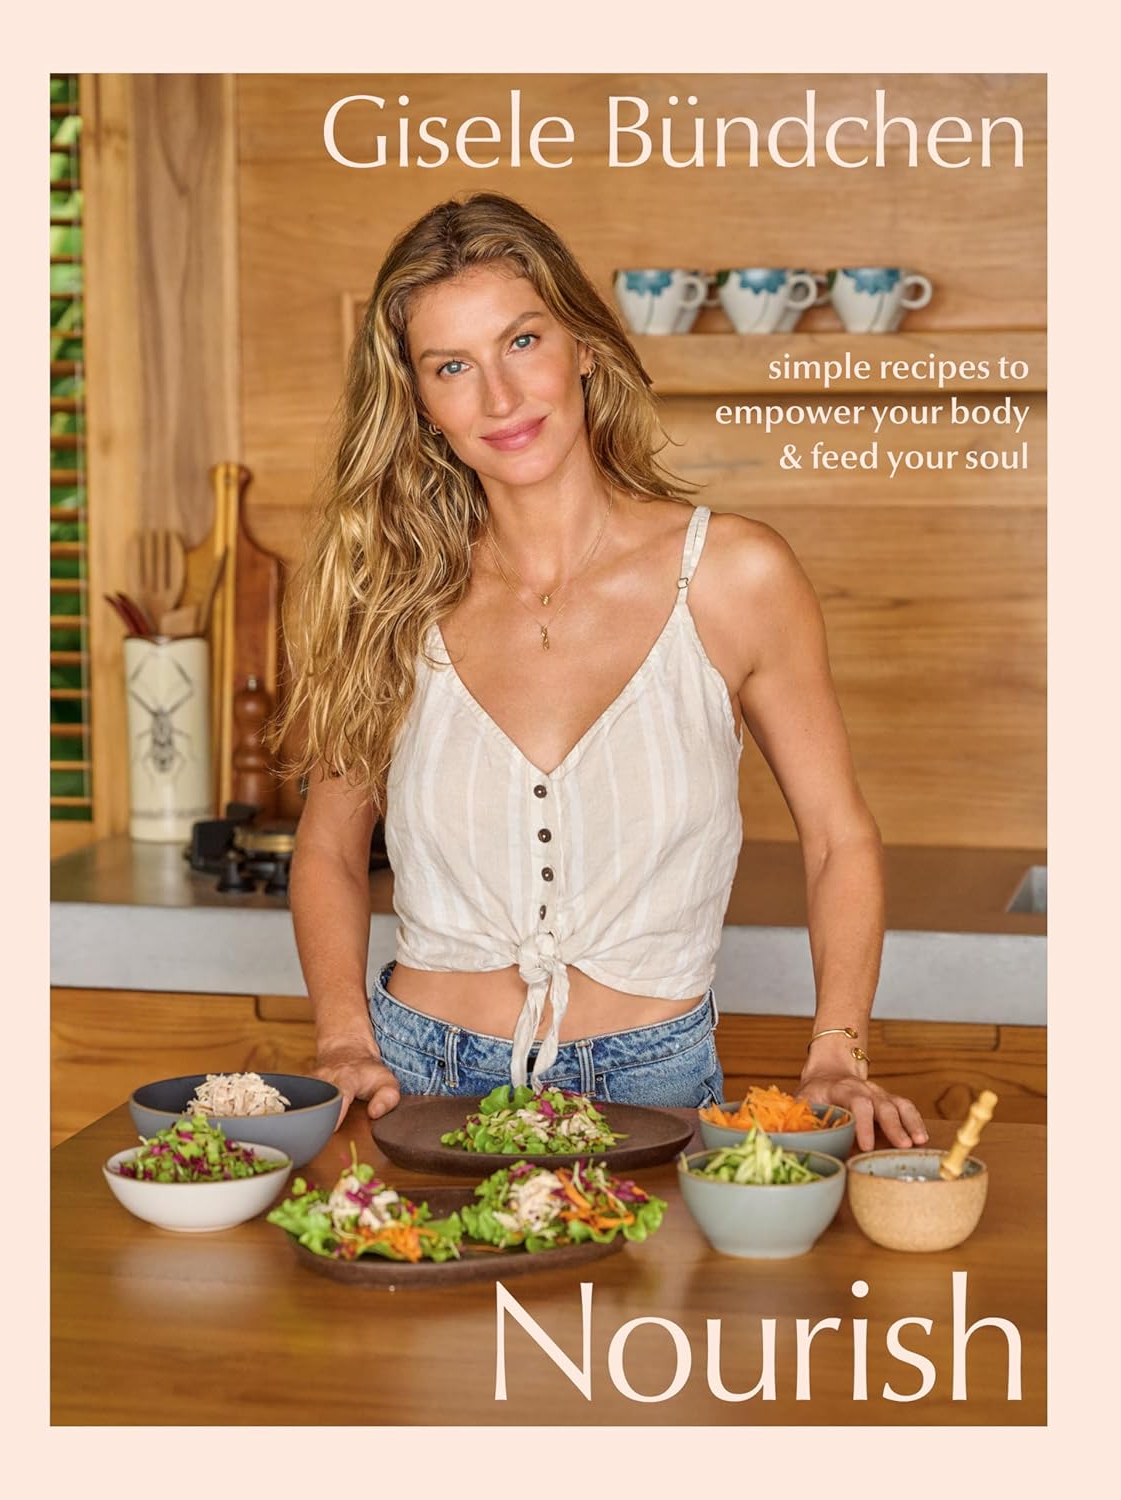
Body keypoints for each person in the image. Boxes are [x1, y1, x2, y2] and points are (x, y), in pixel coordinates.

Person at [273, 191, 926, 1152]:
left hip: (652, 1085)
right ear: (418, 401)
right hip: (418, 1083)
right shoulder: (389, 593)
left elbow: (837, 838)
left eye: (522, 343)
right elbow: (328, 848)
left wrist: (837, 1049)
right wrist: (340, 1036)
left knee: (630, 1312)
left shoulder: (734, 576)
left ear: (582, 344)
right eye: (453, 366)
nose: (499, 398)